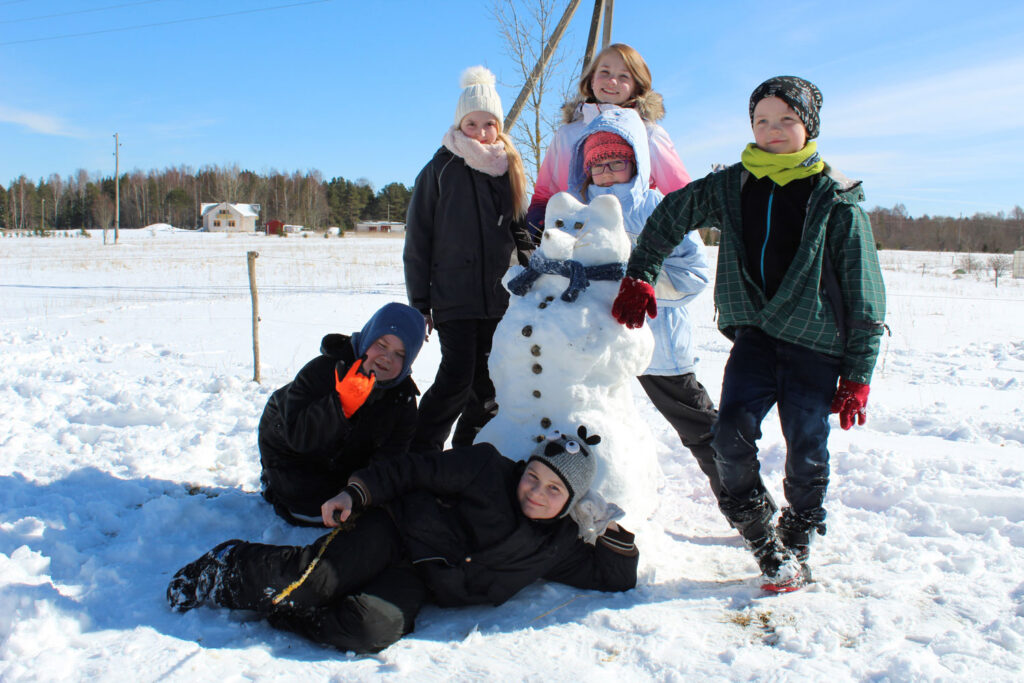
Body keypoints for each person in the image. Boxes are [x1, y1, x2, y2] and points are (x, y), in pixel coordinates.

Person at [610, 76, 887, 591]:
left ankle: (798, 539)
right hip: (757, 338)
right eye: (762, 120)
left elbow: (866, 293)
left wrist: (858, 374)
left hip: (816, 344)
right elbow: (672, 213)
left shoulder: (837, 199)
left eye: (786, 120)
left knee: (808, 449)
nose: (773, 130)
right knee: (729, 438)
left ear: (809, 126)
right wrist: (640, 272)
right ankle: (762, 538)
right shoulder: (733, 184)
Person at [167, 430, 639, 654]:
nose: (535, 492)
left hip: (418, 580)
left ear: (573, 501)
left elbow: (614, 577)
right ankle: (224, 568)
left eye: (553, 490)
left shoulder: (556, 547)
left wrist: (615, 535)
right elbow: (413, 468)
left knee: (370, 629)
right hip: (392, 530)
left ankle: (285, 609)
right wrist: (358, 492)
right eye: (534, 477)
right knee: (312, 580)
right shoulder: (487, 467)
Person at [560, 107, 723, 504]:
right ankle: (589, 507)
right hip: (595, 346)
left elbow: (695, 273)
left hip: (658, 347)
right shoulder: (576, 214)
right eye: (597, 166)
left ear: (635, 161)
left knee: (702, 431)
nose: (606, 172)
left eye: (616, 162)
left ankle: (748, 510)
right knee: (585, 427)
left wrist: (645, 286)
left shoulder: (657, 207)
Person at [403, 65, 534, 452]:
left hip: (500, 301)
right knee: (456, 380)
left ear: (499, 125)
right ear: (460, 123)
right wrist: (420, 304)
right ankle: (418, 455)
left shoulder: (508, 169)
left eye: (488, 123)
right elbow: (418, 240)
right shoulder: (440, 168)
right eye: (472, 123)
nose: (480, 131)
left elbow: (521, 230)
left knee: (488, 386)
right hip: (453, 299)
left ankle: (462, 462)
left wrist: (529, 275)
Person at [258, 302, 425, 526]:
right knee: (310, 508)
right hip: (290, 449)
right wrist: (341, 406)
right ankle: (272, 485)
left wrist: (359, 490)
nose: (386, 357)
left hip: (342, 456)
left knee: (371, 506)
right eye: (381, 345)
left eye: (400, 354)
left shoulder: (402, 399)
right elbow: (299, 437)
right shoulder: (324, 369)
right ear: (368, 338)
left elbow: (390, 457)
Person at [526, 43, 691, 241]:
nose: (612, 81)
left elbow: (683, 198)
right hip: (575, 245)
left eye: (624, 76)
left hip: (632, 246)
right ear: (591, 79)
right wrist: (538, 226)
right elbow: (545, 193)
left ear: (637, 85)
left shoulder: (649, 135)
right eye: (604, 72)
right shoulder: (567, 135)